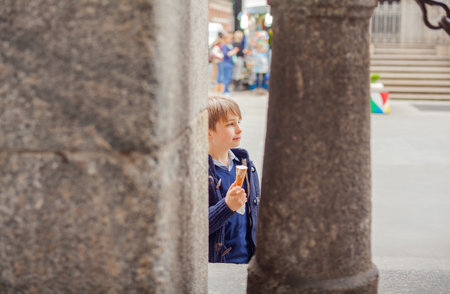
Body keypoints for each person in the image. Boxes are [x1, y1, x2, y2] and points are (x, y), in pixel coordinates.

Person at [208, 96, 260, 264]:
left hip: (247, 259)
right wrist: (227, 206)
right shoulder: (199, 172)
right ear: (207, 131)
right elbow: (193, 227)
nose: (239, 130)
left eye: (239, 123)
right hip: (218, 265)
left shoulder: (244, 164)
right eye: (231, 124)